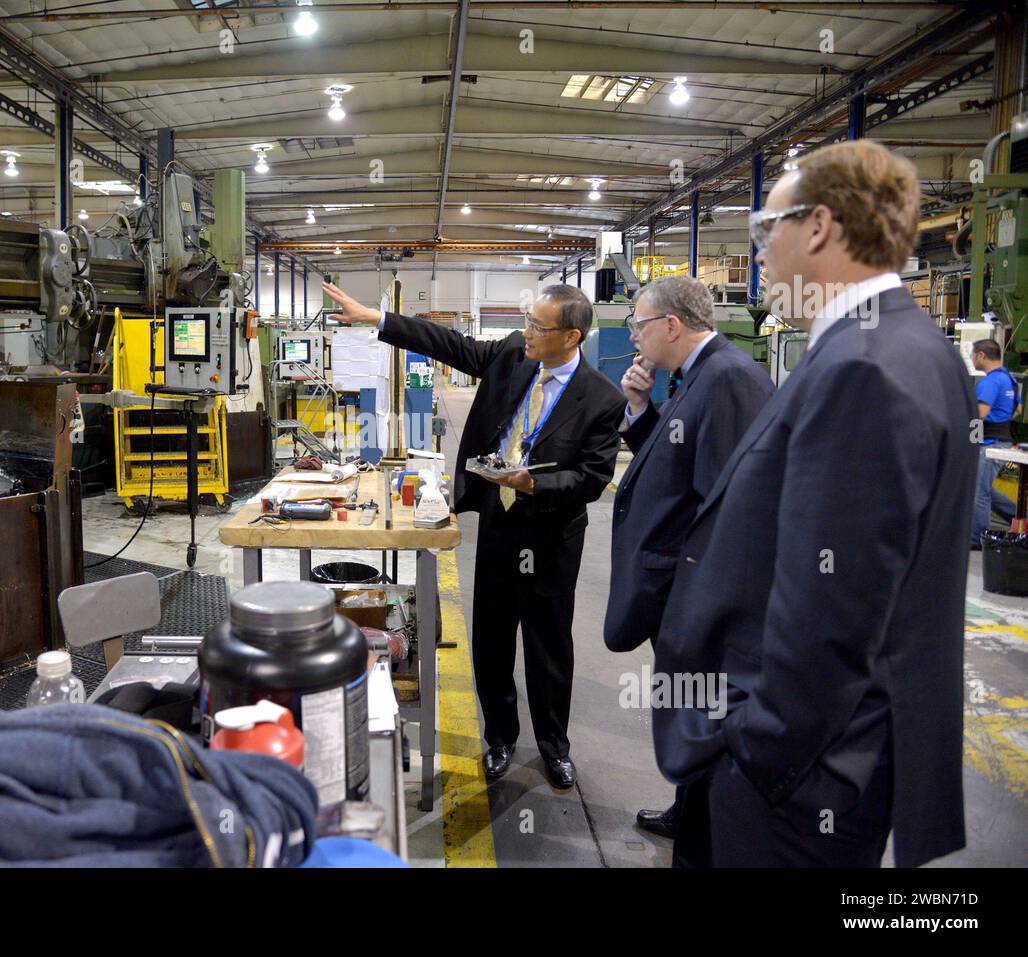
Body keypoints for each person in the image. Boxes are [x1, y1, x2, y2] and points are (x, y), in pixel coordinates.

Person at [651, 140, 979, 867]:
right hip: (823, 763)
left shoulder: (865, 367)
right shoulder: (901, 345)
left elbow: (833, 610)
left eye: (768, 232)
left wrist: (754, 747)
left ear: (821, 227)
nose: (760, 255)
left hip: (801, 781)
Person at [321, 280, 624, 788]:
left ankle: (554, 746)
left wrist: (534, 483)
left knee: (549, 646)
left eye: (538, 326)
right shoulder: (512, 354)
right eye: (527, 321)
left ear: (571, 337)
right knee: (491, 636)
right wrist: (378, 319)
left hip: (549, 536)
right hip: (500, 523)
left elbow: (592, 478)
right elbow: (451, 345)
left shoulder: (601, 399)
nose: (526, 332)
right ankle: (500, 738)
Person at [604, 275, 773, 857]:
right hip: (677, 591)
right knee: (688, 712)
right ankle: (689, 809)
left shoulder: (728, 380)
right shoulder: (696, 376)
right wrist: (640, 410)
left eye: (638, 325)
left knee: (702, 712)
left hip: (695, 596)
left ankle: (701, 833)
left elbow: (724, 510)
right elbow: (680, 462)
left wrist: (691, 606)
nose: (634, 336)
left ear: (670, 325)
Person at [969, 338, 1021, 547]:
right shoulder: (1009, 379)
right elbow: (1016, 411)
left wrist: (968, 440)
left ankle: (976, 541)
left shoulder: (990, 381)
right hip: (1002, 441)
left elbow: (979, 414)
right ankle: (1019, 521)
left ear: (981, 355)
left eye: (973, 354)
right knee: (986, 491)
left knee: (978, 493)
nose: (972, 358)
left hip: (989, 444)